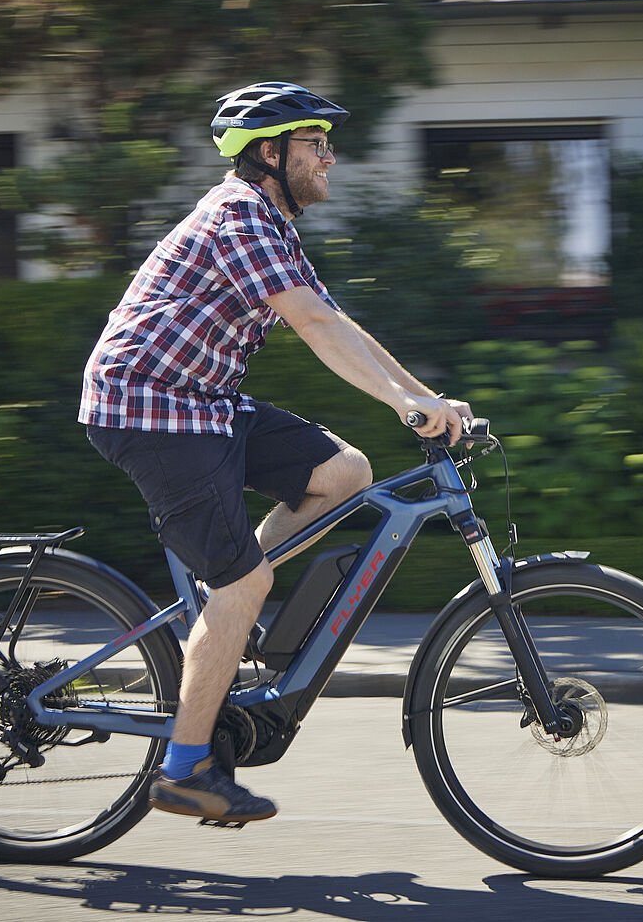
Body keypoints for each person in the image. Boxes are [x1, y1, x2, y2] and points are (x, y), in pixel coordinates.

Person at [78, 81, 471, 824]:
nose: (331, 157)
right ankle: (186, 768)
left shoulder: (270, 224)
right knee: (244, 583)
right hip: (150, 405)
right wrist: (404, 404)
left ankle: (227, 610)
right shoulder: (239, 215)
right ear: (270, 152)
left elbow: (336, 323)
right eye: (316, 145)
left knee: (345, 473)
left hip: (203, 402)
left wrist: (428, 398)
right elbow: (315, 326)